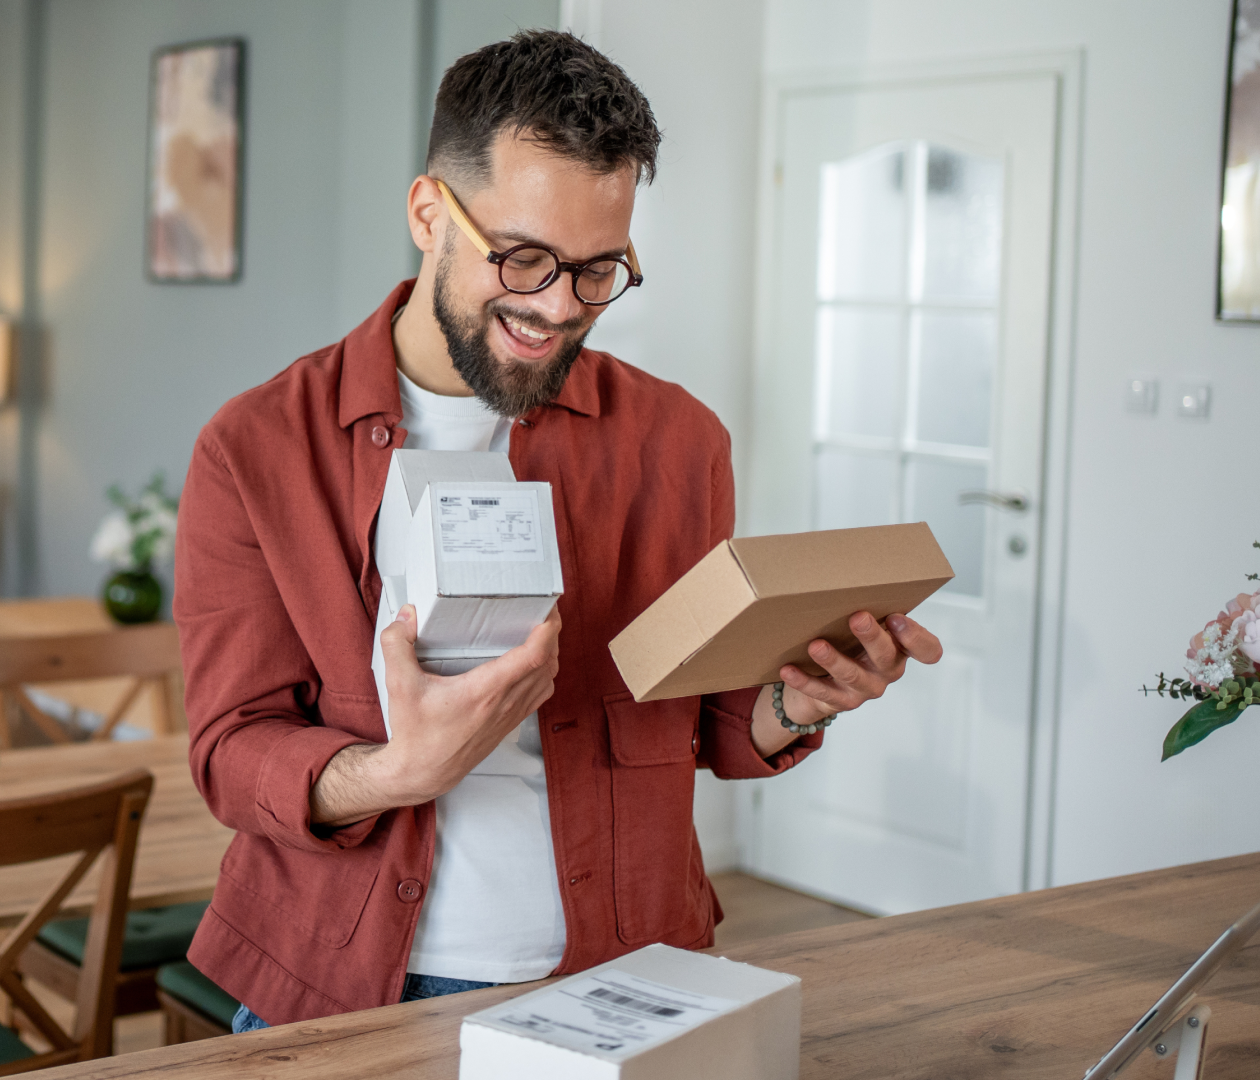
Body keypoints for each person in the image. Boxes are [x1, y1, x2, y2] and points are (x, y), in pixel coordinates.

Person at [172, 29, 943, 1030]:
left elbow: (698, 720)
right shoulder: (258, 448)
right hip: (346, 984)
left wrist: (798, 702)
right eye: (525, 258)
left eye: (596, 271)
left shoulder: (677, 442)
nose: (556, 309)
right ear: (427, 213)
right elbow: (232, 750)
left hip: (625, 973)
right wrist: (402, 772)